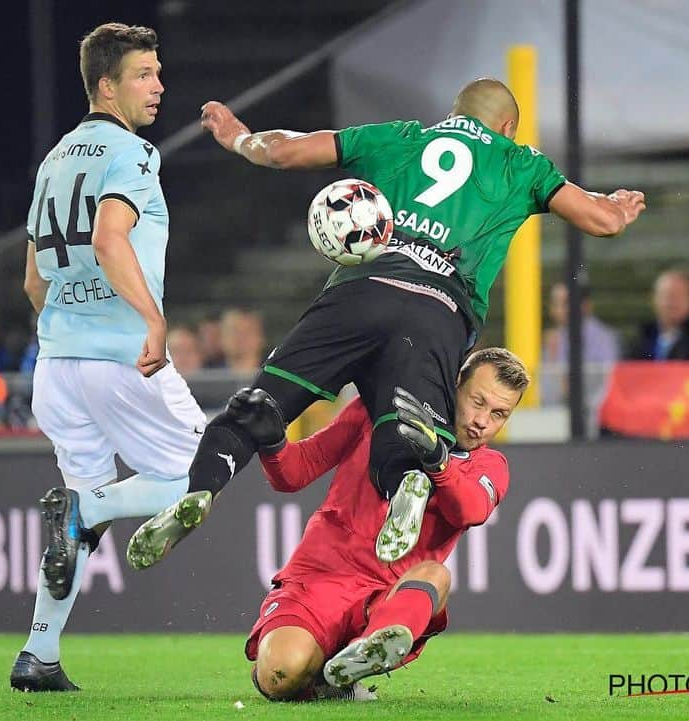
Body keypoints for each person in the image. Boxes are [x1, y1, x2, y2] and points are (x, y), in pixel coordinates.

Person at [127, 78, 645, 570]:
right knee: (403, 439)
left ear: (453, 114)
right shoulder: (521, 163)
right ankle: (407, 485)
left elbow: (285, 149)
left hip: (360, 293)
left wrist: (238, 137)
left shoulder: (403, 137)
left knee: (258, 406)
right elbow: (600, 221)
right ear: (509, 127)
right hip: (438, 310)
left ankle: (201, 489)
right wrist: (617, 208)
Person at [9, 23, 207, 693]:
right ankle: (85, 512)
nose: (158, 85)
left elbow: (34, 281)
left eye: (157, 72)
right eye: (144, 74)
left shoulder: (55, 159)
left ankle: (39, 652)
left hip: (58, 364)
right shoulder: (133, 153)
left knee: (81, 509)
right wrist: (152, 318)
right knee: (201, 472)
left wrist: (66, 328)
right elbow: (109, 236)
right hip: (123, 359)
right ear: (106, 86)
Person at [239, 348, 527, 701]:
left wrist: (438, 462)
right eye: (477, 401)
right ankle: (331, 676)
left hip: (386, 597)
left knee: (436, 575)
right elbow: (297, 471)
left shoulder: (490, 465)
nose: (482, 420)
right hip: (319, 577)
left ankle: (364, 652)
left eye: (499, 414)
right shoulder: (376, 413)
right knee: (281, 676)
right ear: (455, 386)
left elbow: (469, 509)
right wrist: (272, 444)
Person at [541, 281, 619, 404]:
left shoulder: (603, 339)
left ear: (586, 305)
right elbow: (546, 393)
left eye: (565, 303)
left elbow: (606, 386)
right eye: (555, 304)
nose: (559, 310)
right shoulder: (554, 340)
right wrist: (552, 355)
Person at [627, 270, 689, 361]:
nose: (672, 302)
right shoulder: (642, 336)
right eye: (666, 295)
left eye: (678, 296)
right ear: (654, 299)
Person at [220, 307, 266, 373]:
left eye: (248, 331)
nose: (240, 337)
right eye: (234, 331)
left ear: (260, 337)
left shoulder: (273, 377)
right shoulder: (207, 375)